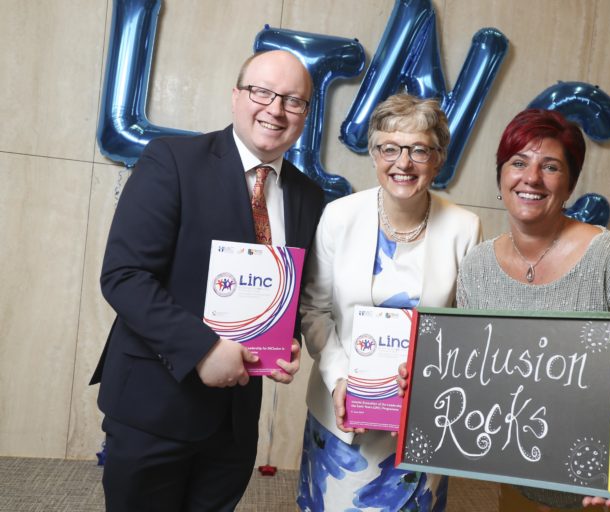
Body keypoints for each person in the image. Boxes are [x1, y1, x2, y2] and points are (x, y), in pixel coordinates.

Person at [89, 50, 325, 511]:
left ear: (304, 115)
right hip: (154, 405)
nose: (275, 110)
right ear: (236, 96)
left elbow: (283, 292)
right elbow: (125, 275)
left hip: (234, 421)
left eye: (292, 101)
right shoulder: (173, 160)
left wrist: (287, 339)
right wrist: (203, 349)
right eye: (262, 92)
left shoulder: (308, 197)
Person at [453, 108, 610, 511]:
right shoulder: (476, 268)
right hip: (528, 474)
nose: (531, 178)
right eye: (518, 163)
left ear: (569, 184)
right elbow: (479, 376)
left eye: (550, 167)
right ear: (500, 176)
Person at [297, 93, 482, 511]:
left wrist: (430, 377)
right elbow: (316, 310)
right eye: (390, 148)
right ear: (374, 153)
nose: (403, 163)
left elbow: (465, 327)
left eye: (419, 149)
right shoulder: (339, 216)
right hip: (342, 409)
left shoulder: (465, 229)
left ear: (438, 158)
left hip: (420, 413)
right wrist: (340, 378)